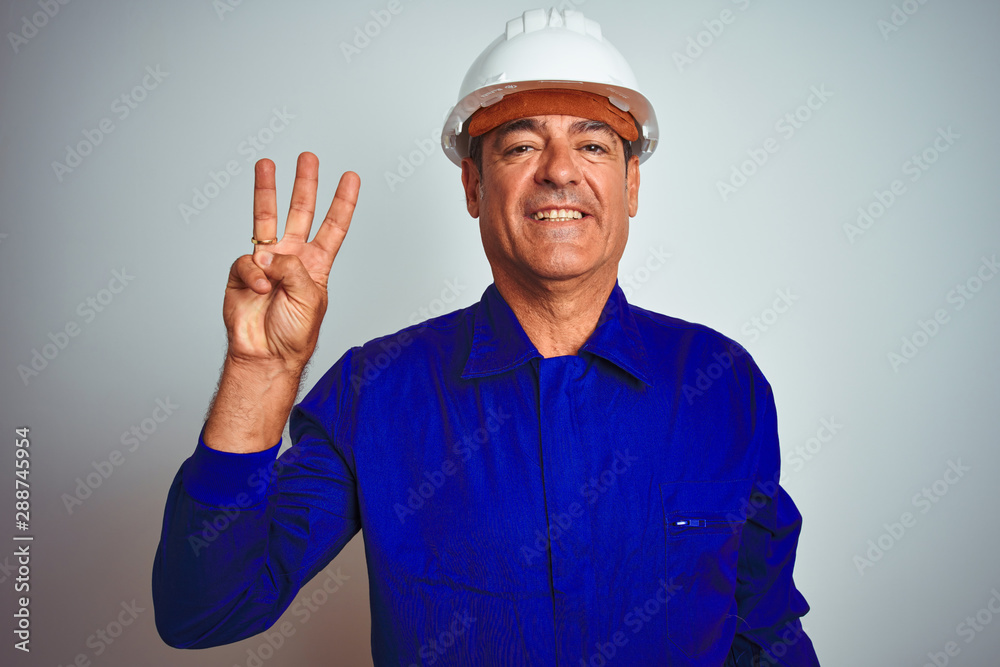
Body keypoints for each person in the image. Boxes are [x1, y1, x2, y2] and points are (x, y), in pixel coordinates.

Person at [152, 8, 820, 666]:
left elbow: (767, 633)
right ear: (473, 185)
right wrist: (259, 372)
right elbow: (207, 610)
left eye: (592, 145)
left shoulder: (721, 383)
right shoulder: (375, 392)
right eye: (522, 146)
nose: (560, 171)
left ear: (631, 184)